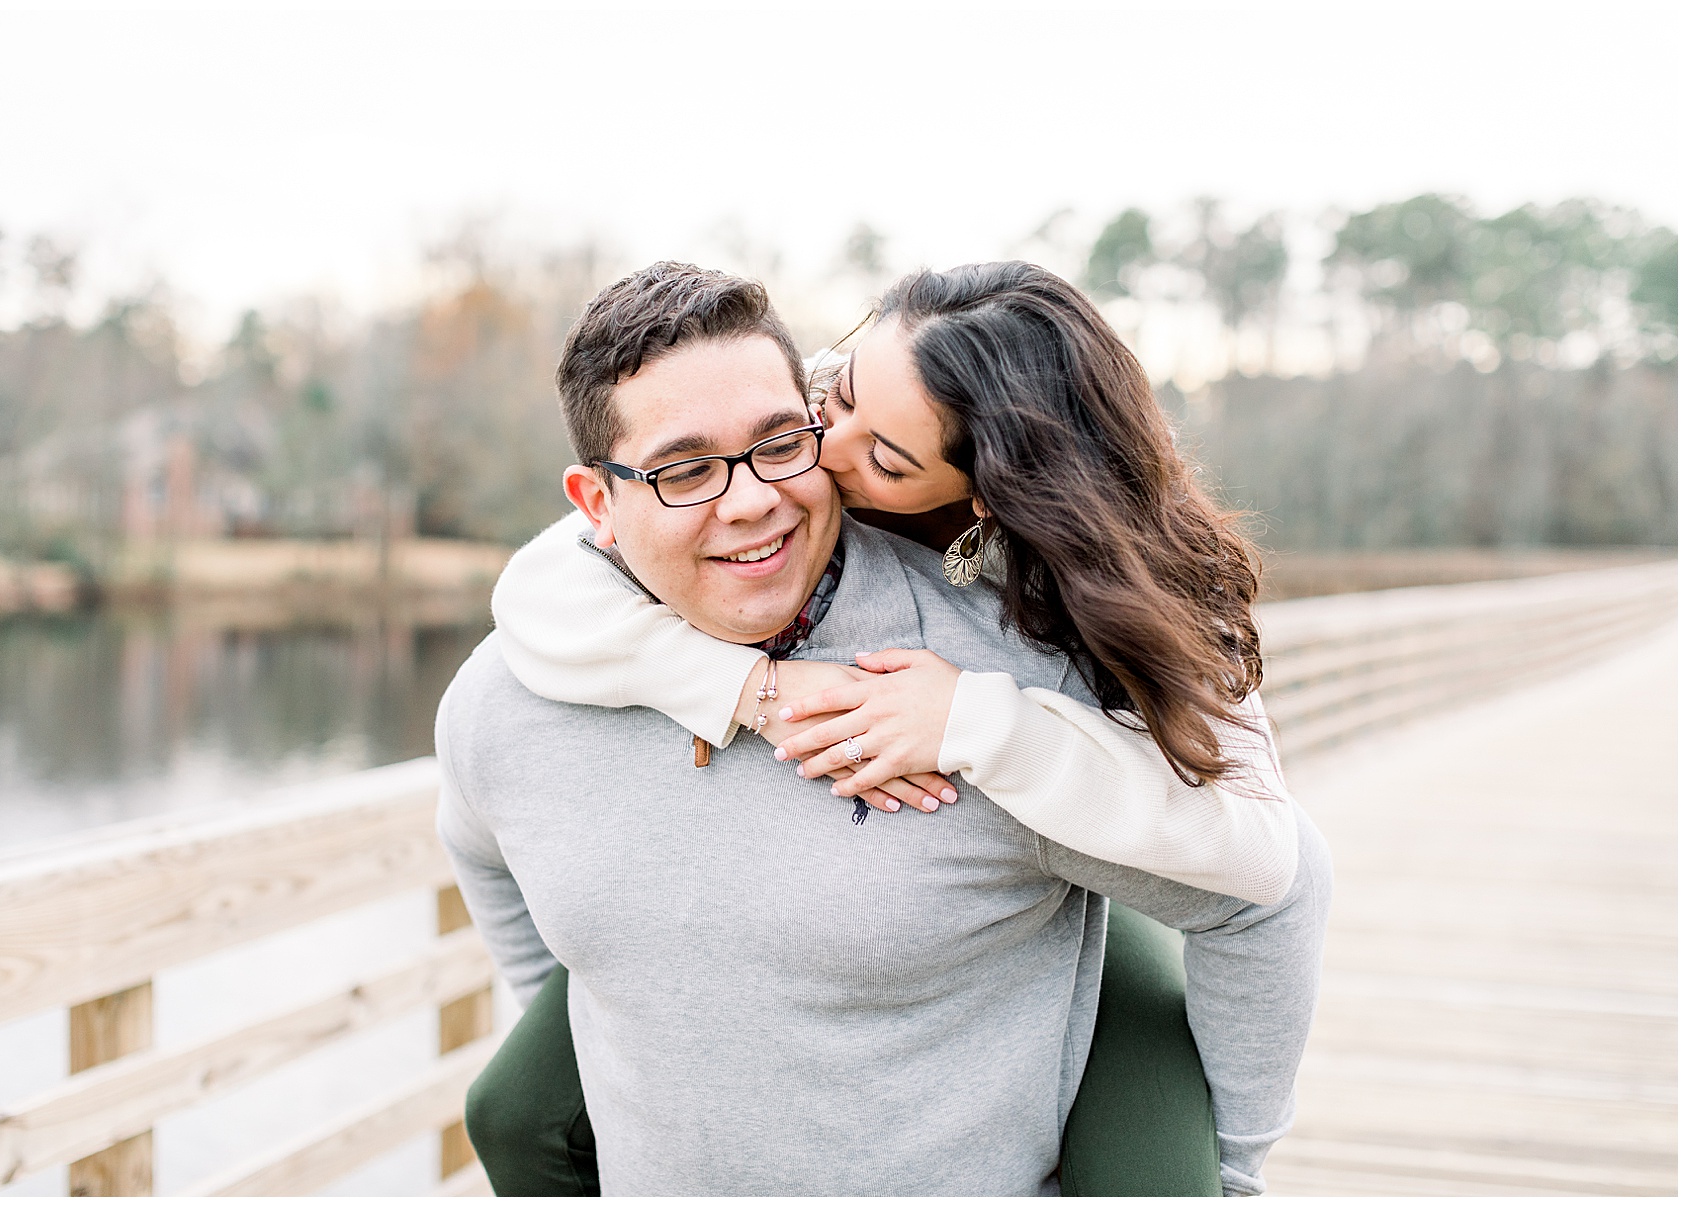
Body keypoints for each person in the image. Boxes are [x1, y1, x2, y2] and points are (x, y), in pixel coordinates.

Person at [436, 261, 1330, 1195]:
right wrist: (750, 688)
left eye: (785, 442)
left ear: (984, 493)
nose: (764, 489)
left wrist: (980, 724)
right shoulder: (517, 682)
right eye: (685, 470)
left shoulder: (1045, 641)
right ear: (598, 505)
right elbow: (486, 788)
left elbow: (1270, 873)